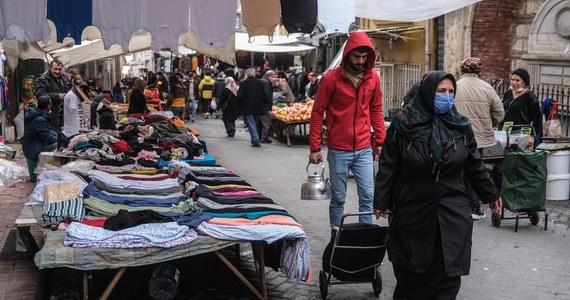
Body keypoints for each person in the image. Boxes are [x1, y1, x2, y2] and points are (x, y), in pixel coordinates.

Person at [373, 71, 503, 299]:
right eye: (441, 91)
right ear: (427, 92)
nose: (447, 96)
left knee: (447, 278)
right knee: (412, 278)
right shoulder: (403, 125)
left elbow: (474, 165)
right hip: (413, 212)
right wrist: (382, 201)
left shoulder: (461, 126)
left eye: (451, 92)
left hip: (452, 213)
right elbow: (388, 166)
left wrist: (491, 194)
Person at [308, 31, 386, 229]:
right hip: (338, 149)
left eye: (364, 57)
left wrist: (380, 142)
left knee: (368, 196)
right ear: (348, 54)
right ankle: (336, 234)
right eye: (356, 56)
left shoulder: (373, 79)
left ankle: (365, 234)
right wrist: (315, 148)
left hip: (363, 148)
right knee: (338, 198)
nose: (360, 61)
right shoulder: (330, 79)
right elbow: (317, 113)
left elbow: (376, 109)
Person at [454, 57, 505, 220]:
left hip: (457, 136)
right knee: (476, 169)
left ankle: (460, 205)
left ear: (462, 70)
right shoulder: (487, 88)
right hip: (479, 139)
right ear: (478, 71)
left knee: (457, 171)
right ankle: (475, 208)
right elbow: (500, 113)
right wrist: (489, 123)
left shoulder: (454, 86)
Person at [21, 96, 58, 182]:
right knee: (57, 146)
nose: (51, 106)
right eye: (51, 104)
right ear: (48, 106)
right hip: (33, 148)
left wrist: (59, 137)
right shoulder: (39, 119)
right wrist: (60, 141)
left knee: (58, 144)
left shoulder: (40, 116)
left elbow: (49, 131)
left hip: (34, 145)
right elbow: (47, 137)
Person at [500, 68, 542, 146]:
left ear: (524, 82)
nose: (513, 82)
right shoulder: (508, 93)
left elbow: (537, 119)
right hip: (506, 131)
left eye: (517, 80)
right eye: (512, 80)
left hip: (520, 132)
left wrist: (532, 136)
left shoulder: (530, 97)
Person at [237, 68, 269, 148]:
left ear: (247, 74)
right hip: (258, 107)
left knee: (251, 124)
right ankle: (254, 140)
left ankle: (256, 140)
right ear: (254, 74)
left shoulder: (243, 83)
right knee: (255, 124)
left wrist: (239, 105)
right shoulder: (260, 82)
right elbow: (265, 94)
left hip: (248, 107)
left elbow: (240, 96)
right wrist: (264, 104)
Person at [34, 59, 69, 131]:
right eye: (55, 69)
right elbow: (40, 95)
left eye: (59, 69)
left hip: (63, 115)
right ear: (50, 68)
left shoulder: (63, 79)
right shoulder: (42, 79)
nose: (57, 71)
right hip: (49, 116)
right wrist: (58, 96)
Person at [260, 70, 276, 143]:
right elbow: (267, 95)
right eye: (273, 76)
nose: (274, 78)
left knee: (262, 122)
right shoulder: (267, 82)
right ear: (271, 76)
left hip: (261, 105)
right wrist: (268, 106)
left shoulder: (262, 80)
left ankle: (264, 137)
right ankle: (264, 138)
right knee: (266, 122)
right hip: (264, 106)